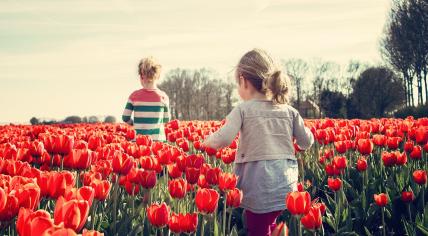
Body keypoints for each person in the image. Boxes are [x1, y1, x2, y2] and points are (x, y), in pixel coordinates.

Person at [203, 48, 314, 236]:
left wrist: (206, 141)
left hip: (258, 187)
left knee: (257, 228)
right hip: (284, 185)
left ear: (243, 81)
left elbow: (224, 138)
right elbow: (307, 141)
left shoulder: (243, 110)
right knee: (270, 224)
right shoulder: (289, 111)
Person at [122, 57, 170, 142]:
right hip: (157, 140)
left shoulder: (134, 96)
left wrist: (134, 123)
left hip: (139, 140)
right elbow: (167, 119)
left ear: (141, 76)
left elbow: (125, 117)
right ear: (158, 76)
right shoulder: (163, 97)